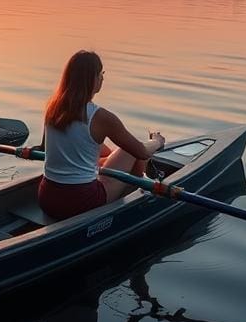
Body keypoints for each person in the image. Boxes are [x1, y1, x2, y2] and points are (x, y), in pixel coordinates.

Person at [31, 50, 166, 220]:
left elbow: (45, 148)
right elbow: (142, 152)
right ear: (92, 79)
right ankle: (136, 188)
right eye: (100, 73)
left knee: (104, 151)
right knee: (129, 150)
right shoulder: (101, 117)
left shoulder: (53, 107)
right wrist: (156, 142)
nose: (103, 78)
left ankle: (130, 183)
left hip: (47, 198)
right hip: (81, 202)